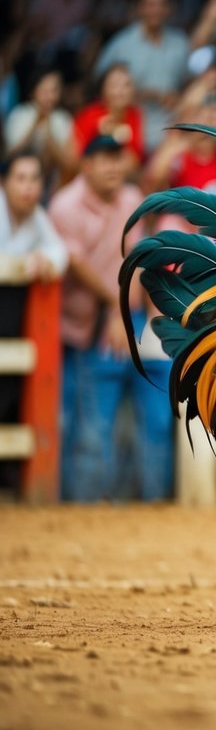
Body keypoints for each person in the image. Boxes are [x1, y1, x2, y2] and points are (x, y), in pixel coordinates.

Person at [48, 136, 173, 502]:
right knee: (87, 417)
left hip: (128, 315)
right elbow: (77, 265)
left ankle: (154, 503)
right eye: (104, 159)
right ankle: (83, 506)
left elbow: (139, 256)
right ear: (85, 164)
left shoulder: (132, 198)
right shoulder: (64, 206)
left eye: (118, 158)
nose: (113, 166)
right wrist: (118, 309)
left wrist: (143, 313)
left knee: (151, 414)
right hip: (83, 323)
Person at [0, 152, 68, 491]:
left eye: (34, 179)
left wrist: (44, 259)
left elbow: (60, 254)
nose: (28, 188)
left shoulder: (37, 218)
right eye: (20, 178)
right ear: (5, 183)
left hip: (10, 327)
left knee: (10, 395)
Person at [94, 0, 202, 153]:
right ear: (140, 8)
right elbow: (98, 89)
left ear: (169, 9)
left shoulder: (180, 43)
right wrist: (143, 94)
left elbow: (189, 82)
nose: (155, 10)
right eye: (150, 4)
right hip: (130, 134)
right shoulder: (121, 45)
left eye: (161, 4)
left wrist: (179, 97)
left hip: (172, 135)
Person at [4, 69, 75, 184]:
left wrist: (49, 131)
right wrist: (35, 123)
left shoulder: (62, 119)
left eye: (54, 90)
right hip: (19, 179)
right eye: (44, 90)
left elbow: (70, 164)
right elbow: (9, 155)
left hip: (51, 182)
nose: (49, 96)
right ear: (34, 90)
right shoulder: (19, 114)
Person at [71, 64, 144, 166]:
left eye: (126, 85)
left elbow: (135, 159)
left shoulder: (134, 114)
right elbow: (74, 158)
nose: (121, 91)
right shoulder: (90, 114)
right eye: (114, 85)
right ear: (103, 90)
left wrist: (117, 136)